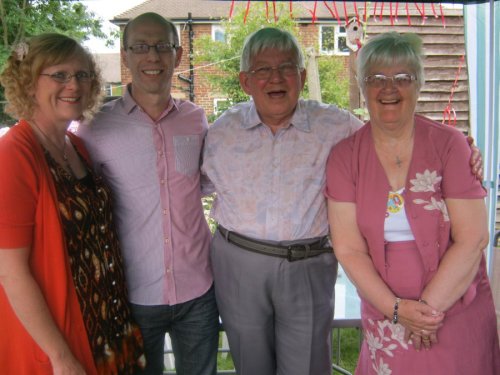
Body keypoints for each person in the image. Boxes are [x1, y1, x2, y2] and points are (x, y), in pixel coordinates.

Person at [325, 31, 500, 374]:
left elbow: (473, 237)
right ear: (363, 87)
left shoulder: (450, 145)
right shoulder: (344, 157)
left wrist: (427, 312)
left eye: (402, 77)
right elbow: (348, 249)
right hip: (386, 313)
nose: (389, 88)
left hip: (455, 309)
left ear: (418, 84)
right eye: (376, 78)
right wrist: (397, 311)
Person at [200, 27, 363, 375]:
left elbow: (389, 138)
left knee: (306, 365)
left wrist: (454, 148)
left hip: (308, 264)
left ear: (302, 77)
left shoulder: (336, 126)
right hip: (239, 265)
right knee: (251, 365)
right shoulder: (221, 132)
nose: (276, 78)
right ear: (245, 81)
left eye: (287, 67)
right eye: (263, 70)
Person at [77, 13, 219, 375]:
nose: (152, 56)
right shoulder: (95, 128)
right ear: (124, 55)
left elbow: (209, 183)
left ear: (179, 54)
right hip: (132, 293)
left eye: (162, 46)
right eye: (141, 46)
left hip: (198, 289)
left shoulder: (197, 119)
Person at [0, 34, 145, 374]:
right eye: (60, 75)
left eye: (82, 75)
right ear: (28, 82)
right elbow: (10, 272)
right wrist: (61, 357)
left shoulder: (76, 146)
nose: (74, 85)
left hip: (108, 326)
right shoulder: (15, 156)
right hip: (62, 338)